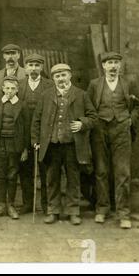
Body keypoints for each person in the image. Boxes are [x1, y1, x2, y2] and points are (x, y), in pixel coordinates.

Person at [31, 64, 97, 225]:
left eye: (63, 75)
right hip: (52, 144)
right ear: (53, 78)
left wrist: (82, 123)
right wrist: (35, 141)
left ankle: (73, 211)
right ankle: (53, 210)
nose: (61, 79)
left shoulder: (81, 95)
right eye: (57, 76)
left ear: (70, 76)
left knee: (73, 178)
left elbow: (94, 117)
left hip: (72, 144)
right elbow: (36, 120)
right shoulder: (45, 95)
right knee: (52, 178)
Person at [87, 52, 139, 229]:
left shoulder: (129, 83)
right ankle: (102, 209)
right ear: (103, 66)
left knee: (122, 172)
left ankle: (123, 213)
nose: (113, 66)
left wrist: (129, 121)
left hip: (121, 130)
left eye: (116, 63)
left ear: (120, 66)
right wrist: (95, 122)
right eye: (109, 63)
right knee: (101, 170)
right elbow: (88, 107)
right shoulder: (95, 84)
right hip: (100, 130)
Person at [18, 53, 54, 214]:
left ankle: (47, 205)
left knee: (45, 170)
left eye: (36, 65)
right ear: (25, 68)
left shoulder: (49, 85)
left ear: (41, 68)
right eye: (30, 65)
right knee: (25, 170)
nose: (33, 68)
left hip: (44, 134)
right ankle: (27, 204)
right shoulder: (19, 85)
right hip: (24, 133)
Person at [0, 76, 29, 219]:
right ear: (2, 89)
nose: (10, 91)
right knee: (0, 175)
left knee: (12, 175)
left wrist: (25, 149)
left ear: (17, 90)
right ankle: (0, 205)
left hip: (14, 144)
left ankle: (10, 204)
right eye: (7, 88)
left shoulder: (22, 105)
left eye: (13, 88)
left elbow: (27, 128)